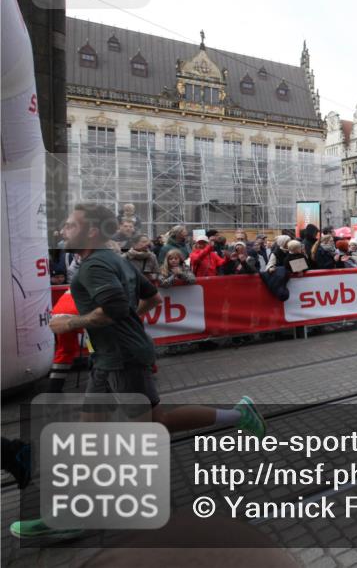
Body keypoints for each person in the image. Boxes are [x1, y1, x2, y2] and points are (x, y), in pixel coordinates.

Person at [11, 205, 266, 541]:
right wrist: (125, 321)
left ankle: (236, 417)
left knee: (148, 429)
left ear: (92, 231)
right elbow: (153, 298)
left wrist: (69, 323)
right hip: (109, 358)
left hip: (123, 359)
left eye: (71, 225)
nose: (62, 230)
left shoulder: (95, 266)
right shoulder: (115, 260)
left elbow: (113, 311)